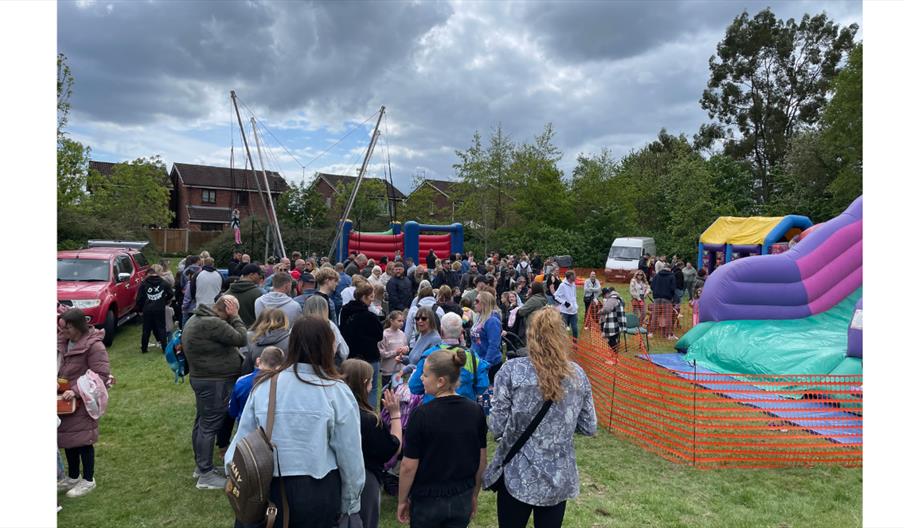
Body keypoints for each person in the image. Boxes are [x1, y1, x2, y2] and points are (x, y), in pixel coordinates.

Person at [225, 316, 366, 528]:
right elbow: (350, 455)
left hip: (268, 487)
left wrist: (236, 478)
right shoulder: (337, 392)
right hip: (316, 493)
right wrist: (350, 504)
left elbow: (239, 446)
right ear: (327, 346)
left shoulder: (265, 386)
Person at [483, 307, 597, 528]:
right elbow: (589, 425)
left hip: (517, 474)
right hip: (557, 475)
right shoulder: (577, 375)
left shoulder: (511, 371)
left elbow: (496, 426)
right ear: (562, 336)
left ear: (530, 334)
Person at [396, 348, 488, 527]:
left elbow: (408, 465)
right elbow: (481, 459)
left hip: (427, 500)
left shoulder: (421, 415)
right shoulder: (475, 411)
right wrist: (473, 494)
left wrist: (402, 500)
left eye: (425, 374)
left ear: (440, 381)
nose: (421, 378)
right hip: (461, 495)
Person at [181, 295, 247, 489]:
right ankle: (206, 475)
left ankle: (201, 467)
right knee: (209, 425)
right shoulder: (212, 323)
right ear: (228, 309)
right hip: (214, 380)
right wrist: (235, 317)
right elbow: (241, 338)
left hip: (203, 378)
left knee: (202, 421)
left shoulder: (198, 317)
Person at [340, 359, 403, 528]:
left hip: (337, 477)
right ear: (365, 383)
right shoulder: (368, 419)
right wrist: (395, 414)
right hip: (366, 479)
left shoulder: (336, 410)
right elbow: (393, 448)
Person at [57, 307, 111, 498]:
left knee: (83, 440)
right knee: (68, 439)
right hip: (64, 401)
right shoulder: (63, 342)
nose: (63, 332)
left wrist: (76, 391)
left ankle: (88, 480)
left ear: (78, 327)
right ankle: (73, 477)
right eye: (61, 328)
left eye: (66, 329)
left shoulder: (94, 346)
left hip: (82, 401)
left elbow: (101, 375)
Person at [409, 312, 490, 403]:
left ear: (441, 331)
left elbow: (414, 386)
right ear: (460, 332)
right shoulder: (472, 356)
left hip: (434, 410)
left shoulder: (429, 355)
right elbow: (482, 386)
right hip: (465, 410)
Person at [339, 283, 385, 408]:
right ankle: (369, 412)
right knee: (373, 388)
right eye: (370, 297)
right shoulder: (369, 316)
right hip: (369, 356)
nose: (372, 299)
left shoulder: (344, 312)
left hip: (352, 356)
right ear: (364, 297)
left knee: (352, 387)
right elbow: (379, 335)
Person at [229, 345, 284, 422]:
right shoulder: (283, 384)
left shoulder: (242, 381)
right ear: (280, 366)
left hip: (245, 427)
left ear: (258, 360)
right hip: (271, 427)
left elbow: (233, 412)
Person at [136, 265, 174, 354]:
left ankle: (144, 348)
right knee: (161, 328)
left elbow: (139, 298)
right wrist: (164, 300)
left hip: (147, 309)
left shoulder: (144, 283)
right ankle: (164, 348)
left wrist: (140, 308)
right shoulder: (163, 282)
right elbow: (171, 293)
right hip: (159, 308)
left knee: (146, 329)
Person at [303, 294, 349, 365]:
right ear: (325, 309)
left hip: (303, 364)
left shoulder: (299, 325)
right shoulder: (330, 325)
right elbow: (344, 351)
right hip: (327, 365)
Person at [242, 308, 291, 375]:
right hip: (283, 381)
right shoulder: (291, 340)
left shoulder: (249, 337)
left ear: (260, 320)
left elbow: (246, 368)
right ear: (284, 321)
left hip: (256, 380)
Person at [471, 291, 503, 384]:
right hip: (477, 362)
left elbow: (494, 345)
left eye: (477, 301)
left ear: (485, 303)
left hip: (490, 365)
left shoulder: (492, 320)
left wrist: (486, 364)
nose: (474, 303)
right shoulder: (480, 317)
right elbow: (475, 342)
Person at [402, 306, 444, 372]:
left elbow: (430, 366)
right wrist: (403, 359)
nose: (420, 321)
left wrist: (407, 369)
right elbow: (415, 360)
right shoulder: (420, 335)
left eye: (424, 318)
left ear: (431, 320)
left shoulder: (435, 339)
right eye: (417, 318)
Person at [378, 310, 408, 389]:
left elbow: (406, 346)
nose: (401, 323)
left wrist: (405, 350)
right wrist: (395, 352)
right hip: (387, 370)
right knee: (386, 392)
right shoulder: (384, 334)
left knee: (398, 391)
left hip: (399, 369)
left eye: (402, 321)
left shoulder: (402, 334)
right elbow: (382, 353)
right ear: (391, 321)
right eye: (399, 321)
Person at [651, 264, 678, 340]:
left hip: (656, 298)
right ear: (670, 269)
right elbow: (673, 288)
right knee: (668, 317)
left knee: (654, 316)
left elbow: (652, 286)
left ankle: (651, 333)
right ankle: (669, 335)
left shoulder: (656, 275)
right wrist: (671, 297)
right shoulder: (672, 276)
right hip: (667, 298)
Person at [553, 271, 578, 339]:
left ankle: (575, 346)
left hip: (574, 311)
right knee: (563, 330)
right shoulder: (562, 285)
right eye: (574, 275)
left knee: (575, 329)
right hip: (565, 312)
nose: (575, 277)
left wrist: (575, 305)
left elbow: (574, 296)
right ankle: (562, 344)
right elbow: (556, 296)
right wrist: (565, 303)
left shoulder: (574, 284)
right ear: (570, 277)